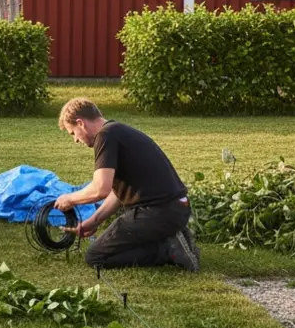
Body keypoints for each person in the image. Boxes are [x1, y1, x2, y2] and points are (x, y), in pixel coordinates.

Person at [51, 98, 200, 272]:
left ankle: (167, 250)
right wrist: (94, 221)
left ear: (80, 123)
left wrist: (70, 198)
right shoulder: (117, 131)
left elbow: (100, 189)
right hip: (175, 210)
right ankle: (170, 237)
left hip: (157, 212)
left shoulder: (106, 136)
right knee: (114, 245)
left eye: (72, 133)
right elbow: (116, 193)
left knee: (96, 256)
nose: (76, 140)